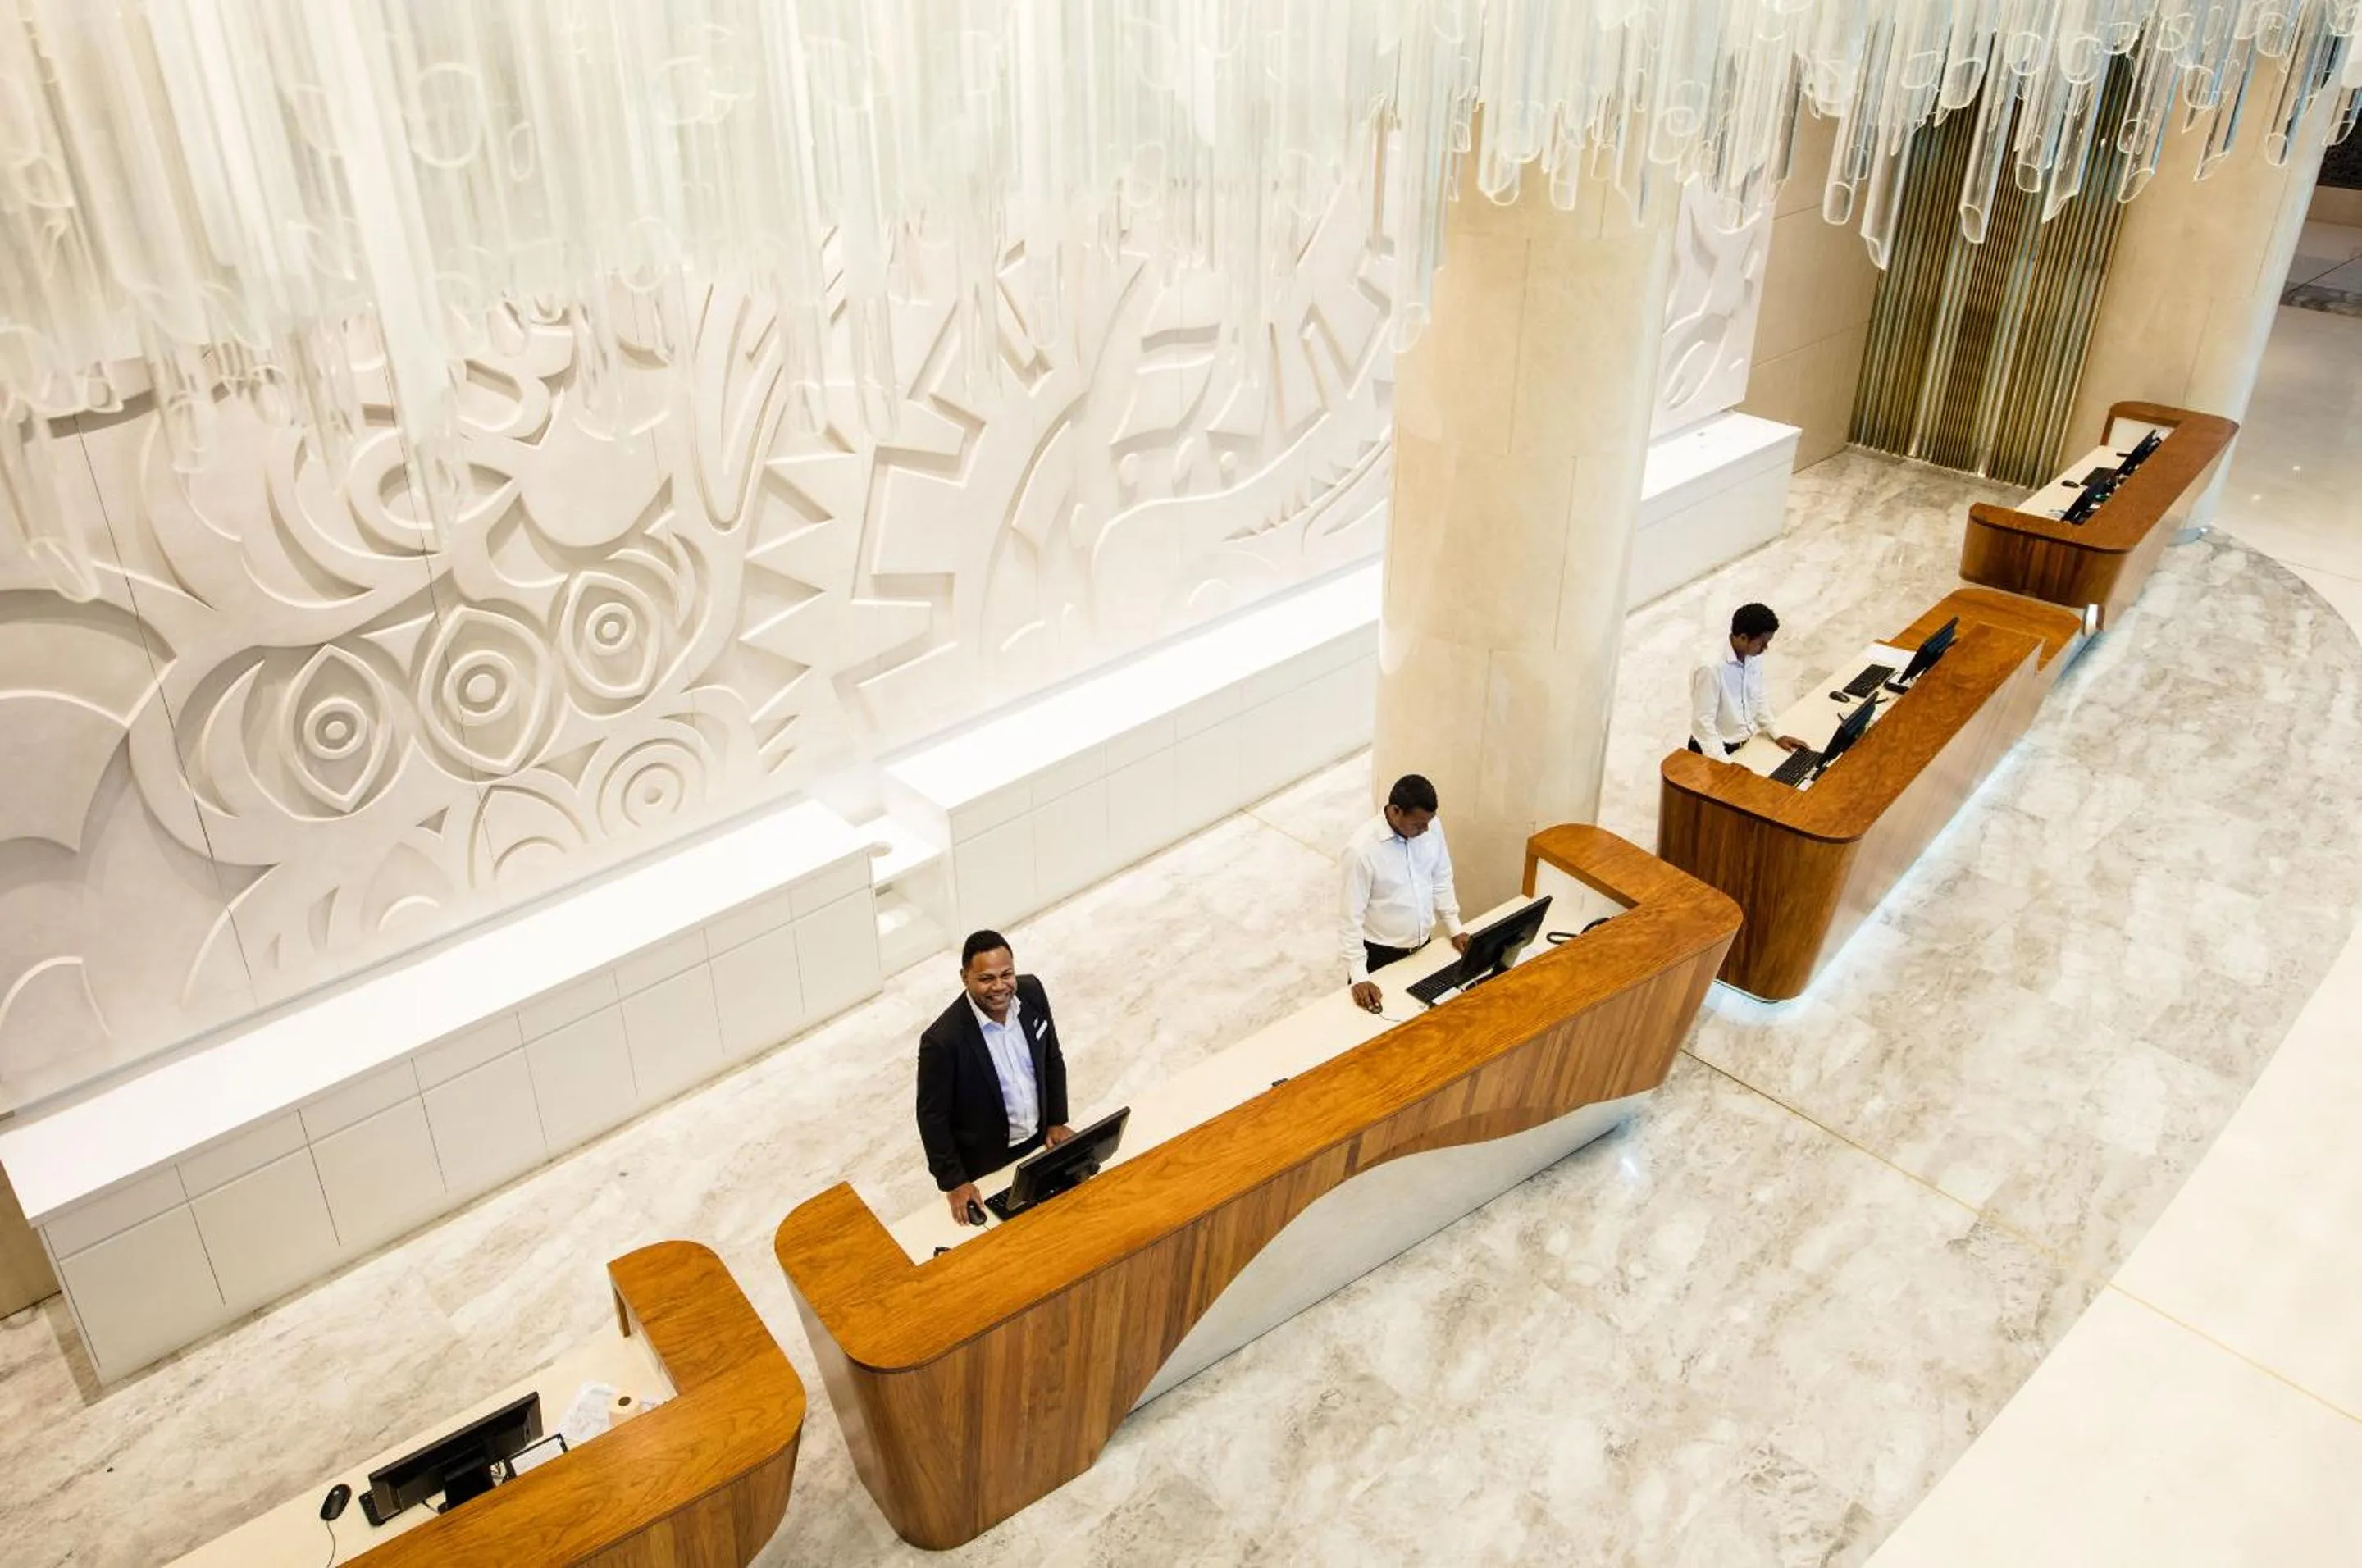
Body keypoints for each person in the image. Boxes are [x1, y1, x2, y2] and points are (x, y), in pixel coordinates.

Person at [915, 930, 1073, 1226]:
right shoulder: (942, 1041)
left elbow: (1051, 1058)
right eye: (986, 978)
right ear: (965, 978)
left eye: (1006, 975)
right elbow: (932, 1118)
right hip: (989, 1167)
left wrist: (1056, 1120)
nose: (1000, 986)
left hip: (1040, 1145)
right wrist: (955, 1182)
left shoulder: (1032, 992)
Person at [1338, 773, 1469, 1014]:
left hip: (1423, 948)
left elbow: (1441, 877)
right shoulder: (1361, 850)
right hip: (1380, 957)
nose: (1426, 829)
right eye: (1418, 825)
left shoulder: (1431, 827)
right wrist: (1359, 976)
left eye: (1429, 822)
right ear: (1396, 810)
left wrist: (1455, 928)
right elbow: (1350, 917)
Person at [1690, 602, 1809, 759]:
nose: (1765, 648)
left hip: (1744, 746)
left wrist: (1777, 734)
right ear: (1743, 638)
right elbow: (1703, 723)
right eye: (1762, 643)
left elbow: (1757, 697)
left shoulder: (1752, 655)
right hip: (1714, 752)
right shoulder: (1710, 667)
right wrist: (1725, 763)